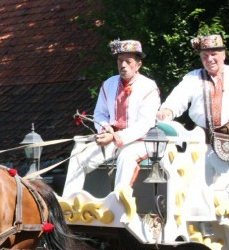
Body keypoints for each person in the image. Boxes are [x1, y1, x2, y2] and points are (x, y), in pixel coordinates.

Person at [156, 33, 229, 184]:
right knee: (198, 191)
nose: (209, 59)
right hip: (201, 142)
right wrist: (167, 110)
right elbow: (177, 98)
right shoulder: (193, 78)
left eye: (214, 54)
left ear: (224, 54)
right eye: (205, 55)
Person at [63, 39, 161, 196]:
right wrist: (104, 128)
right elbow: (99, 113)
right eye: (119, 61)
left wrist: (115, 137)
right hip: (112, 138)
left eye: (128, 61)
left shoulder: (148, 87)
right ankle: (68, 205)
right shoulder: (109, 84)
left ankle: (119, 206)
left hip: (140, 141)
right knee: (78, 155)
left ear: (138, 65)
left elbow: (145, 124)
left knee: (126, 157)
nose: (123, 65)